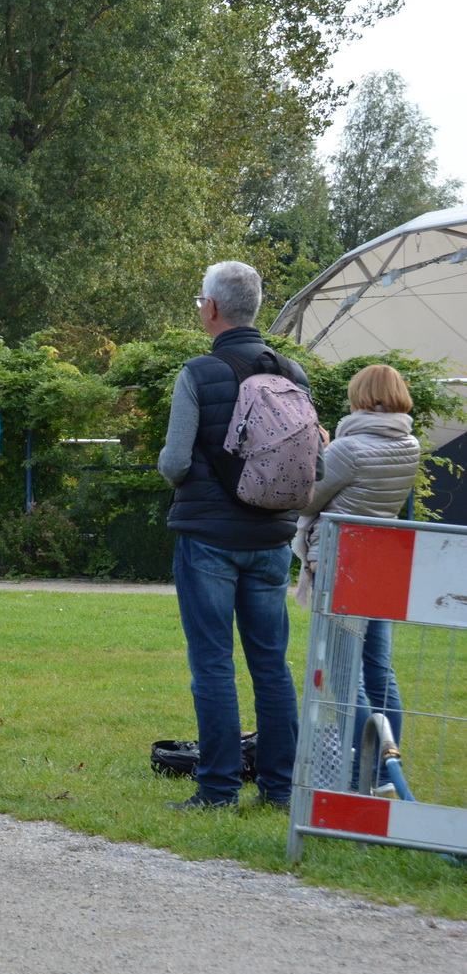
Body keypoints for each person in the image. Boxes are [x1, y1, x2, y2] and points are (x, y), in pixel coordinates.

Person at [158, 260, 317, 811]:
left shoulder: (198, 373)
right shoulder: (293, 373)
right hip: (272, 538)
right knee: (271, 664)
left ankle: (219, 788)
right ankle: (280, 788)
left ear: (211, 308)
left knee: (213, 663)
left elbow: (176, 464)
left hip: (209, 538)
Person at [295, 364, 421, 795]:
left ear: (361, 398)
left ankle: (359, 772)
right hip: (379, 566)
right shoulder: (410, 444)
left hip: (341, 566)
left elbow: (306, 496)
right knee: (380, 672)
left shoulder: (349, 449)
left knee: (343, 675)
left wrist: (323, 450)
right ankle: (388, 773)